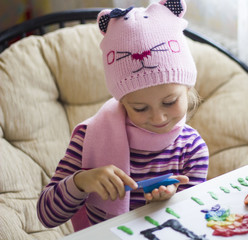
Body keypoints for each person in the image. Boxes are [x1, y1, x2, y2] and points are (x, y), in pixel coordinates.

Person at [36, 0, 209, 232]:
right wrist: (81, 181)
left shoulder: (192, 148)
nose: (158, 118)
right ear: (122, 102)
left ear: (187, 89)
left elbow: (193, 219)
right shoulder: (88, 139)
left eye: (169, 102)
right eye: (140, 108)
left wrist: (166, 202)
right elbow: (46, 215)